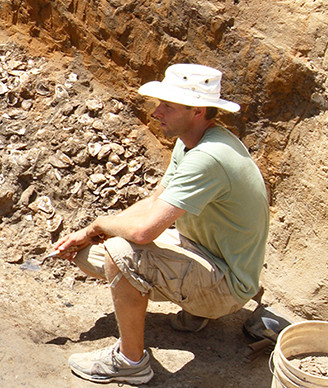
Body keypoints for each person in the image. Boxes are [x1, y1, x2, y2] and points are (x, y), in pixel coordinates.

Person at [51, 63, 269, 384]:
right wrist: (89, 234)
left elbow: (143, 231)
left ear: (196, 110)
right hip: (205, 253)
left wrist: (101, 225)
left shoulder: (208, 158)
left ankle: (131, 361)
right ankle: (197, 309)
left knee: (119, 253)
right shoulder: (192, 141)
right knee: (90, 254)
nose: (157, 112)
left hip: (229, 284)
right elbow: (155, 202)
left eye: (168, 105)